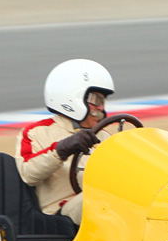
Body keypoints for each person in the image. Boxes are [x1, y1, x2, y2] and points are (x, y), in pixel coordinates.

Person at [15, 59, 116, 226]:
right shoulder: (37, 132)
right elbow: (27, 174)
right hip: (59, 212)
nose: (101, 108)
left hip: (100, 205)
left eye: (103, 102)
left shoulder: (105, 137)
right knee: (103, 197)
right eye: (96, 100)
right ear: (72, 97)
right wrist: (61, 150)